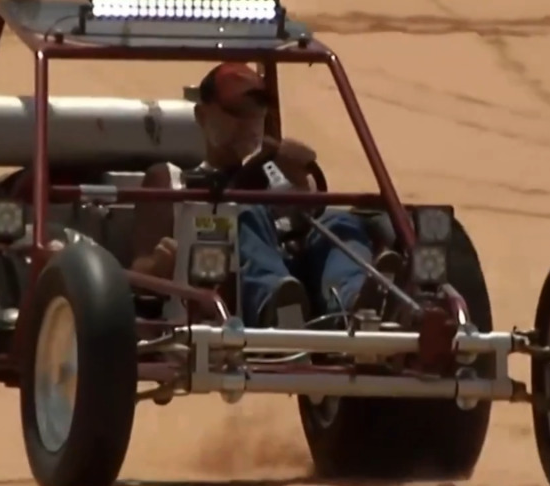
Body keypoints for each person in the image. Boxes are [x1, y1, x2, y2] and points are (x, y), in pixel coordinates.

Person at [131, 62, 399, 327]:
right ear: (203, 115)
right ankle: (274, 303)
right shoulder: (171, 180)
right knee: (238, 216)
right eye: (237, 112)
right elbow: (137, 273)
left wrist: (303, 190)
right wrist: (159, 265)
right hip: (221, 303)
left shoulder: (275, 174)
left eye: (257, 113)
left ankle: (356, 305)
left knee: (338, 222)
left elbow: (308, 225)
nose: (249, 124)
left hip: (302, 286)